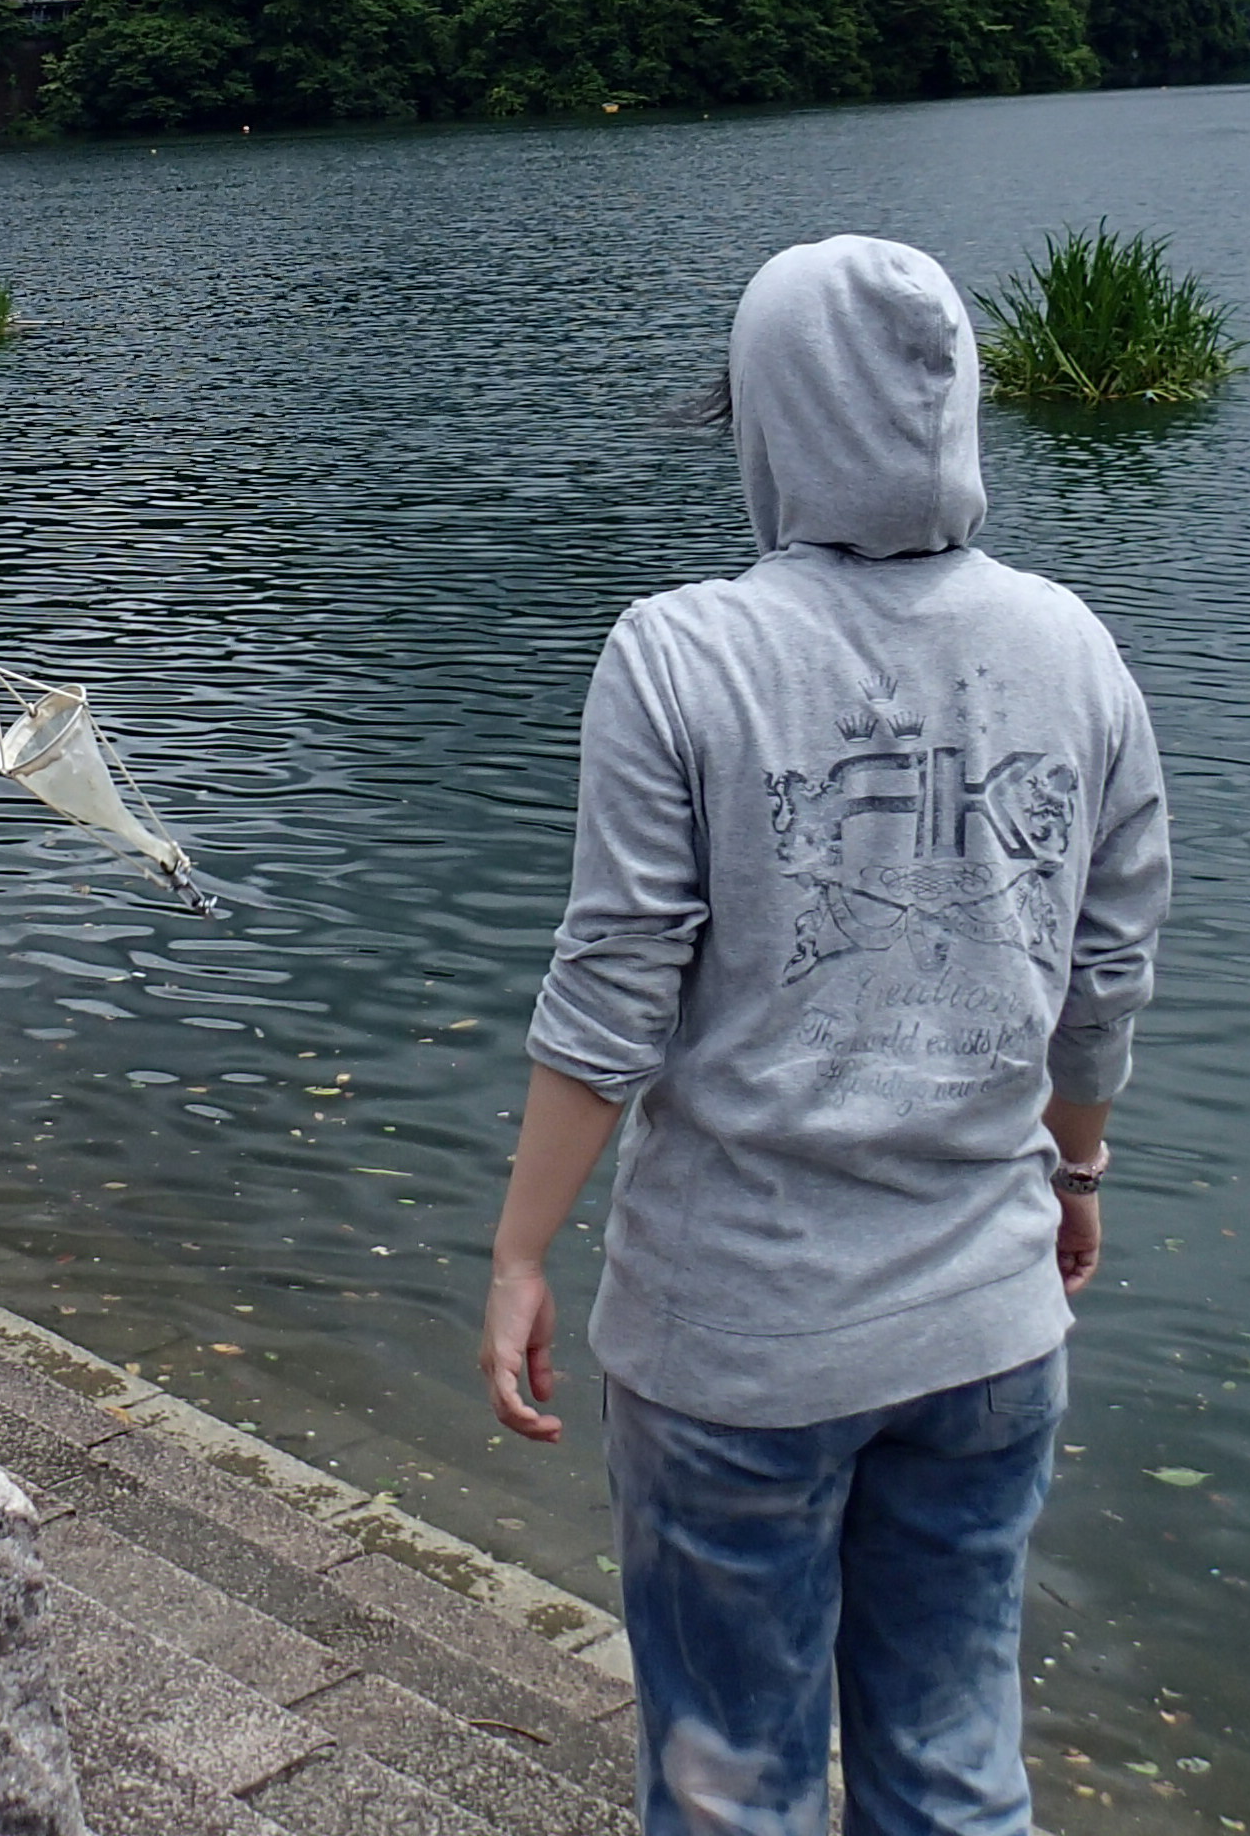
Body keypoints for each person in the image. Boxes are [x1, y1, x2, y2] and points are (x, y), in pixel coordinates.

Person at [481, 237, 1172, 1836]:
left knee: (735, 1783)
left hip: (738, 1335)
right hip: (990, 1330)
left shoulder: (681, 654)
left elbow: (613, 989)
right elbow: (1110, 963)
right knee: (953, 1769)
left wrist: (525, 1251)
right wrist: (1078, 1171)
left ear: (771, 422)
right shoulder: (1074, 650)